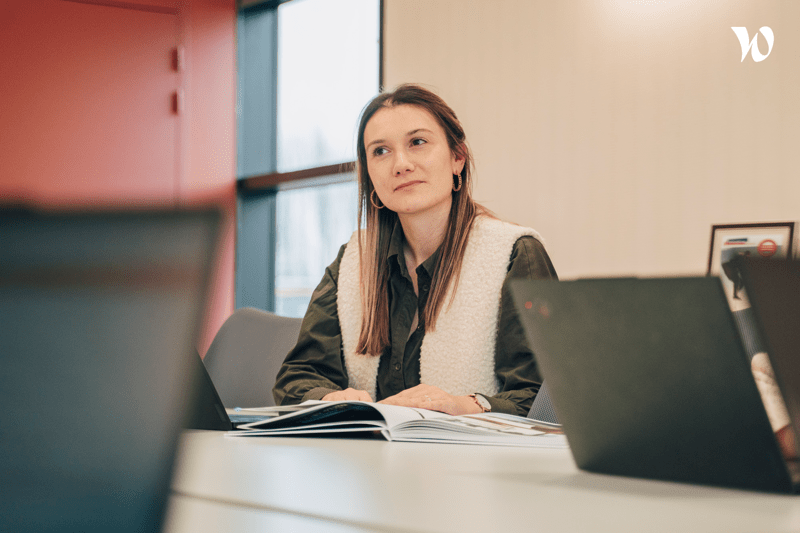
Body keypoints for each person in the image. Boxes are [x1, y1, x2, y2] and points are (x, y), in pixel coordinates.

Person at [272, 84, 557, 417]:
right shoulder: (352, 262)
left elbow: (546, 397)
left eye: (417, 143)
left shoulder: (515, 253)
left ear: (457, 158)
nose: (400, 164)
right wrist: (332, 400)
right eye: (380, 151)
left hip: (477, 462)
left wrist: (464, 405)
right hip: (373, 460)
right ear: (370, 177)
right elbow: (297, 378)